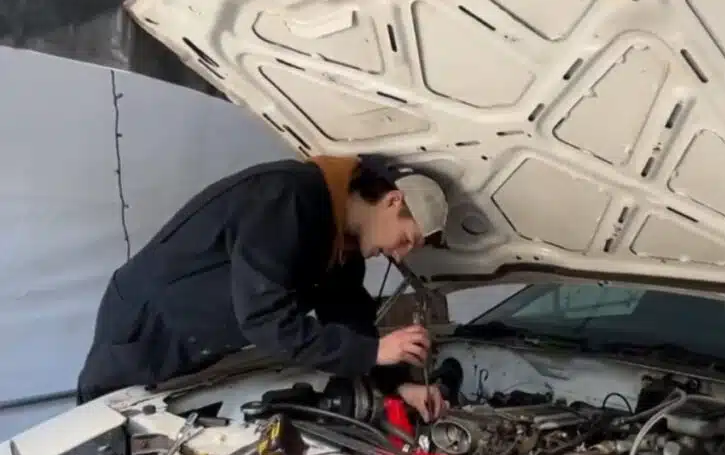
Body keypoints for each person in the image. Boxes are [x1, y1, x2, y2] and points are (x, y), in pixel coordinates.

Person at [76, 154, 450, 422]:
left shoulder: (342, 240)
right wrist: (375, 350)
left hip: (198, 344)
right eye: (406, 239)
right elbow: (266, 320)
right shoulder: (288, 198)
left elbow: (349, 314)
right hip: (145, 331)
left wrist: (399, 385)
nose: (399, 256)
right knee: (103, 445)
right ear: (392, 201)